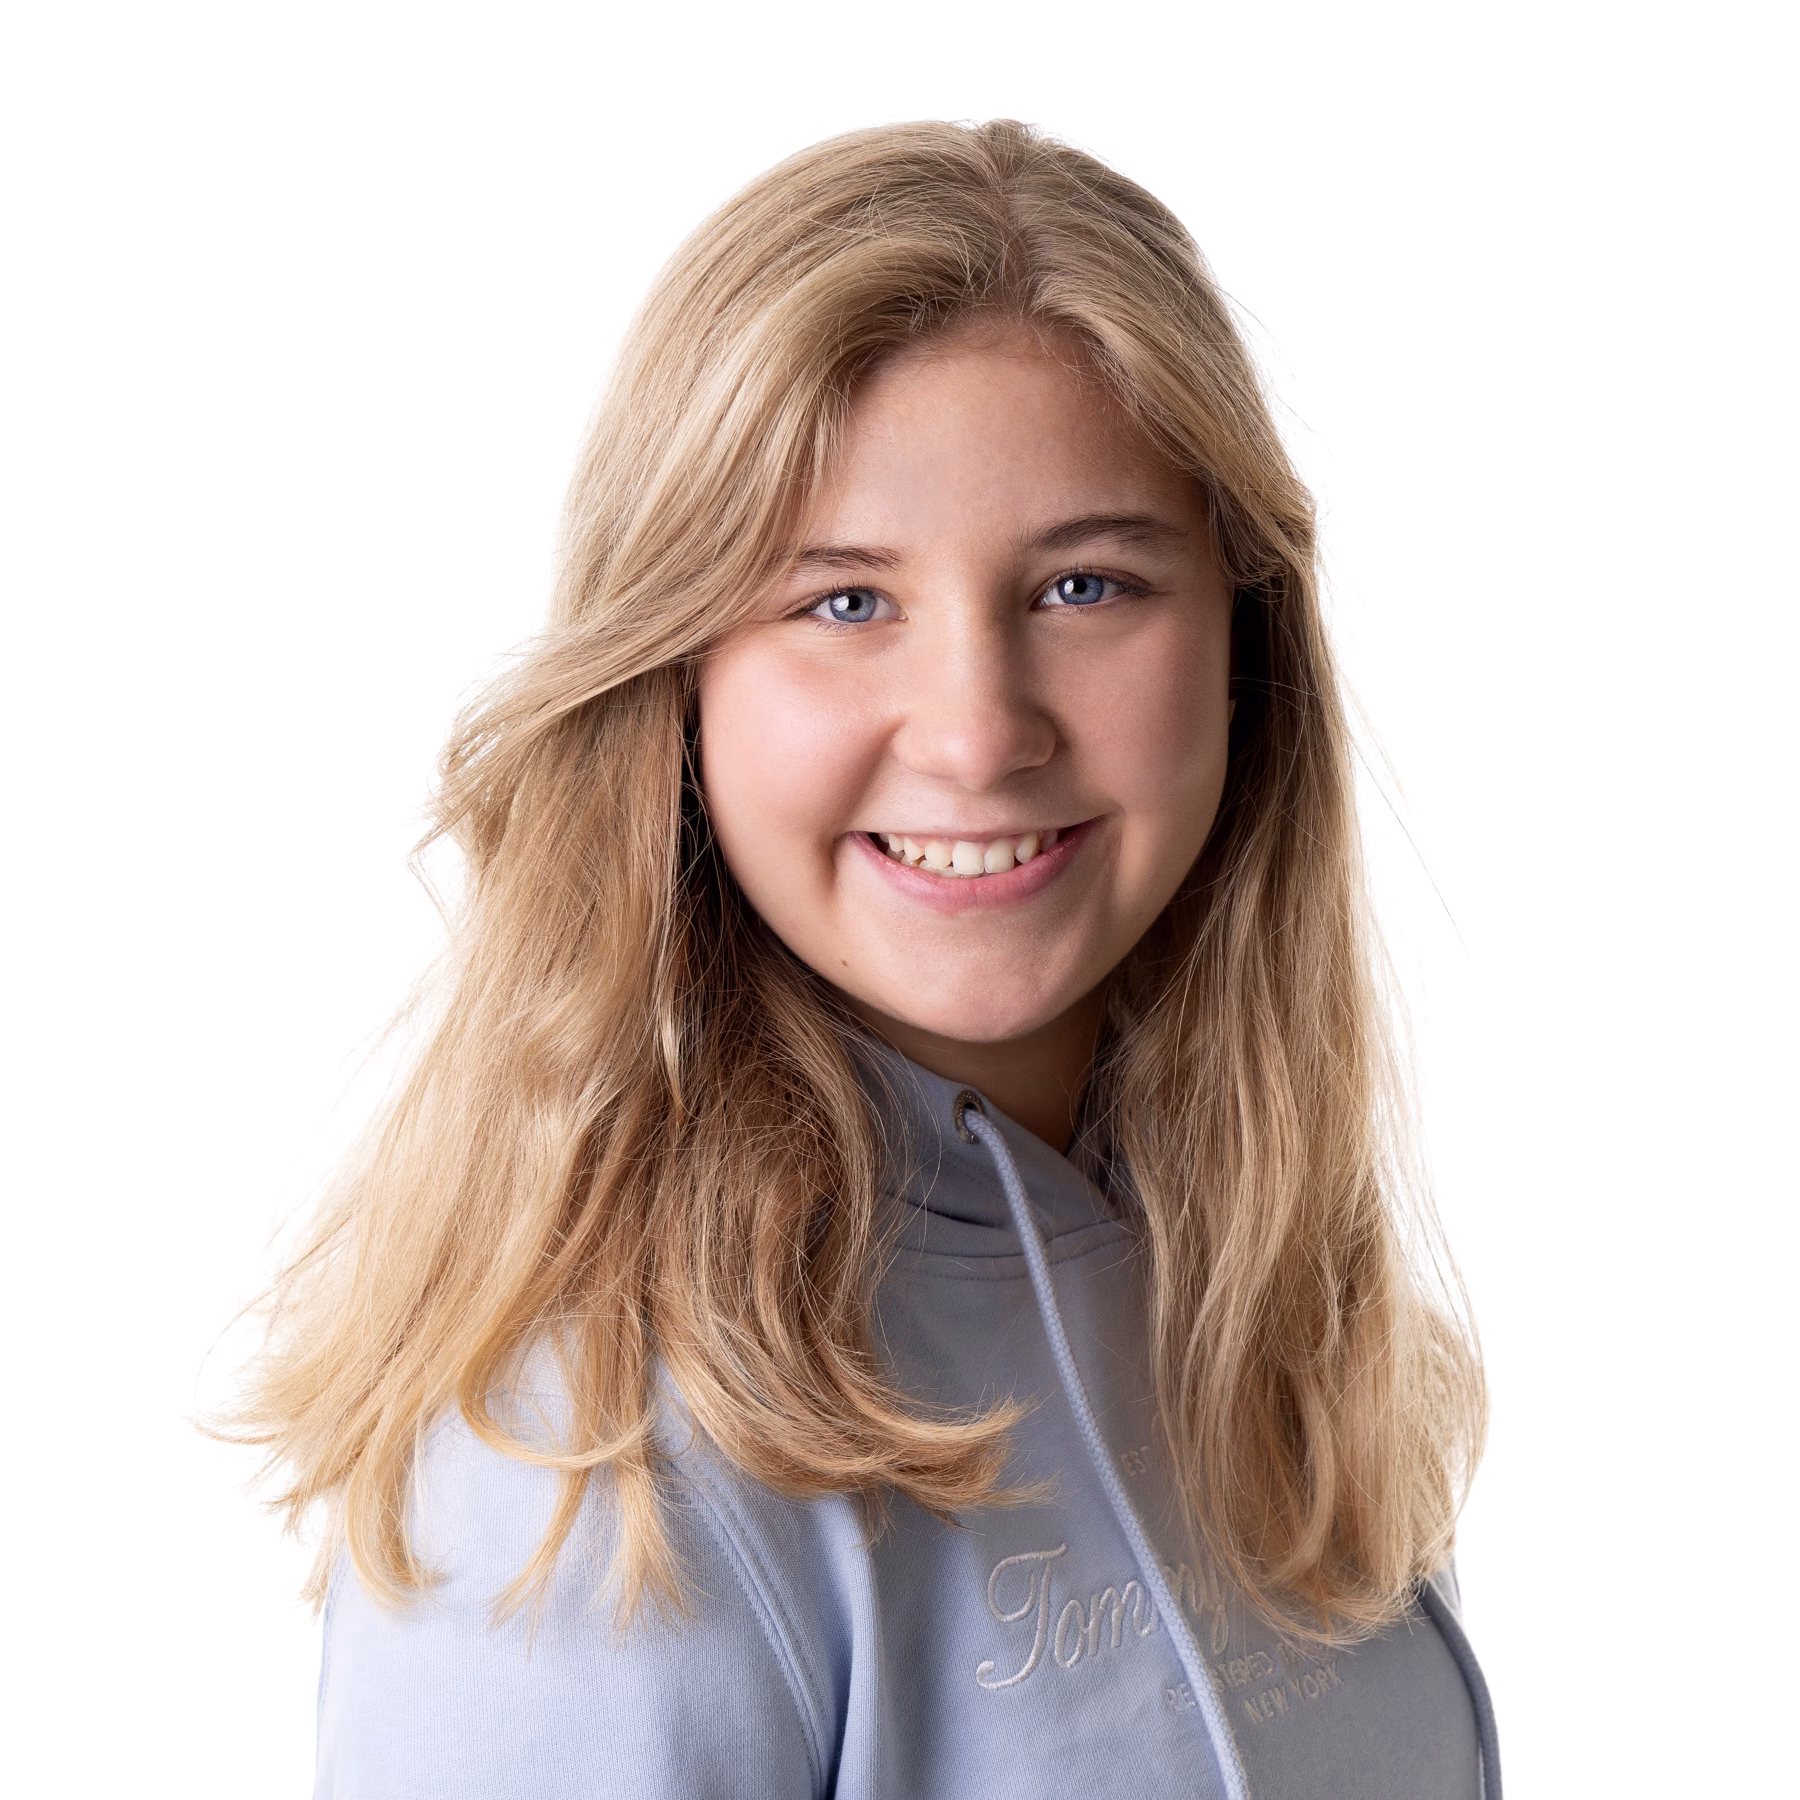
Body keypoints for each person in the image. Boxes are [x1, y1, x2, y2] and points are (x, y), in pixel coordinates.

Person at [233, 119, 1497, 1798]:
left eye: (1087, 585)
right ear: (673, 685)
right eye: (843, 603)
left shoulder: (1257, 1283)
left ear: (1243, 643)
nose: (976, 733)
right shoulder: (583, 1474)